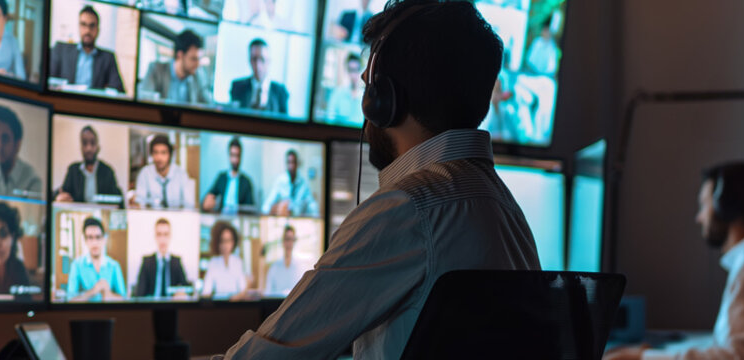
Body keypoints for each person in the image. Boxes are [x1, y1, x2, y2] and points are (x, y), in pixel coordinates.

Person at [217, 2, 539, 358]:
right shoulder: (507, 211)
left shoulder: (407, 210)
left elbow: (268, 356)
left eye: (368, 87)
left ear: (384, 100)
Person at [604, 162, 744, 360]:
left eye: (704, 205)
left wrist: (641, 358)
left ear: (725, 208)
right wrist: (653, 354)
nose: (699, 217)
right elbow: (728, 348)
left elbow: (733, 357)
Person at [48, 6, 125, 93]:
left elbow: (118, 90)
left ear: (98, 29)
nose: (88, 30)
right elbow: (48, 81)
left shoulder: (108, 58)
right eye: (83, 24)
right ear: (79, 26)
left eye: (92, 25)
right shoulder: (60, 50)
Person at [55, 125, 125, 207]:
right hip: (78, 214)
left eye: (92, 143)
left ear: (98, 147)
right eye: (85, 143)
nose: (89, 148)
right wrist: (59, 197)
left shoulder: (107, 171)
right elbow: (62, 192)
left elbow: (118, 199)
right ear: (81, 147)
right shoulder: (73, 170)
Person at [138, 29, 213, 105]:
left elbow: (209, 105)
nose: (198, 64)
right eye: (194, 59)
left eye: (199, 59)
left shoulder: (198, 77)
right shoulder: (156, 70)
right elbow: (144, 100)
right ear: (179, 55)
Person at [67, 217, 127, 302]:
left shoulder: (114, 266)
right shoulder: (76, 265)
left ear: (104, 239)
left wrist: (109, 295)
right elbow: (70, 300)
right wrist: (93, 291)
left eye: (98, 237)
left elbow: (124, 299)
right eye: (90, 237)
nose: (94, 243)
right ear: (85, 240)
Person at [133, 134, 196, 209]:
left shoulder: (181, 174)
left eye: (163, 153)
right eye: (155, 152)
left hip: (177, 215)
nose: (159, 157)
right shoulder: (145, 173)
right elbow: (140, 202)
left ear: (170, 155)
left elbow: (189, 205)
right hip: (152, 215)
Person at [134, 218, 192, 298]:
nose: (162, 239)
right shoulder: (147, 262)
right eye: (159, 234)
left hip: (172, 304)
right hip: (151, 304)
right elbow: (139, 293)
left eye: (166, 234)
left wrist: (182, 293)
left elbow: (187, 289)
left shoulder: (176, 262)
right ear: (155, 236)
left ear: (170, 236)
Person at [229, 39, 288, 114]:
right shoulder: (237, 87)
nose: (258, 65)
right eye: (254, 59)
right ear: (250, 60)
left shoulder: (281, 91)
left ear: (269, 61)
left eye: (262, 59)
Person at [201, 137, 255, 215]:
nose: (235, 160)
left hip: (239, 218)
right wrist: (206, 202)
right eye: (233, 155)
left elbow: (250, 209)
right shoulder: (221, 178)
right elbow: (208, 198)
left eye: (237, 155)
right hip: (222, 217)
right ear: (229, 156)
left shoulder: (246, 182)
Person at [200, 220, 250, 300]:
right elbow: (206, 291)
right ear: (218, 243)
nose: (225, 245)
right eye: (222, 241)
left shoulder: (238, 262)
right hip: (218, 304)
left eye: (228, 240)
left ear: (233, 242)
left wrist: (237, 297)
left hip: (235, 303)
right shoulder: (213, 262)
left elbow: (242, 289)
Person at [261, 149, 318, 217]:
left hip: (299, 220)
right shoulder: (280, 181)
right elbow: (265, 207)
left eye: (293, 162)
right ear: (286, 164)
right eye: (289, 162)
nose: (291, 166)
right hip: (283, 219)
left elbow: (312, 206)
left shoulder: (304, 183)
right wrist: (276, 208)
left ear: (297, 164)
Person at [263, 225, 309, 297]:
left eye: (292, 239)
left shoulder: (300, 267)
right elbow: (268, 292)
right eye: (287, 239)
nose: (289, 243)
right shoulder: (274, 267)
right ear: (283, 241)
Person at [324, 53, 365, 126]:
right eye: (351, 70)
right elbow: (329, 120)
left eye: (357, 70)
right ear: (347, 71)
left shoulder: (365, 97)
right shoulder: (337, 94)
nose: (354, 75)